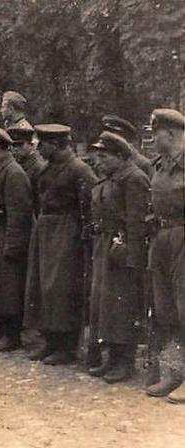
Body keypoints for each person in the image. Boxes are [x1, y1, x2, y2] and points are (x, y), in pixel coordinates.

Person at [24, 124, 98, 364]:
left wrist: (82, 236)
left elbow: (89, 202)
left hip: (67, 232)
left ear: (55, 144)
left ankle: (66, 346)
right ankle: (51, 340)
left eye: (42, 144)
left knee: (62, 289)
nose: (39, 148)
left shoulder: (79, 169)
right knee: (44, 287)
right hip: (46, 230)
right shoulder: (47, 168)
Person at [86, 131, 150, 384]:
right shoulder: (113, 178)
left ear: (120, 156)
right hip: (106, 246)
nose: (98, 162)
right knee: (107, 305)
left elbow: (137, 222)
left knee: (123, 306)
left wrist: (130, 255)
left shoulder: (134, 179)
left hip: (122, 251)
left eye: (104, 156)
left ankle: (125, 362)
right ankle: (112, 358)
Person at [0, 124, 33, 353]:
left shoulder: (13, 173)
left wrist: (13, 245)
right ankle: (0, 330)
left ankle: (12, 334)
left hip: (6, 232)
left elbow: (18, 213)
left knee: (8, 285)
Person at [143, 109, 185, 403]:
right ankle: (174, 373)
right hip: (162, 240)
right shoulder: (159, 165)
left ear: (170, 133)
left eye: (155, 133)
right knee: (165, 309)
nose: (151, 138)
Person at [7, 126, 46, 216]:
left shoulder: (38, 168)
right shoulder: (16, 165)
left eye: (20, 145)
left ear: (31, 145)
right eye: (13, 145)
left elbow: (40, 203)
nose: (15, 149)